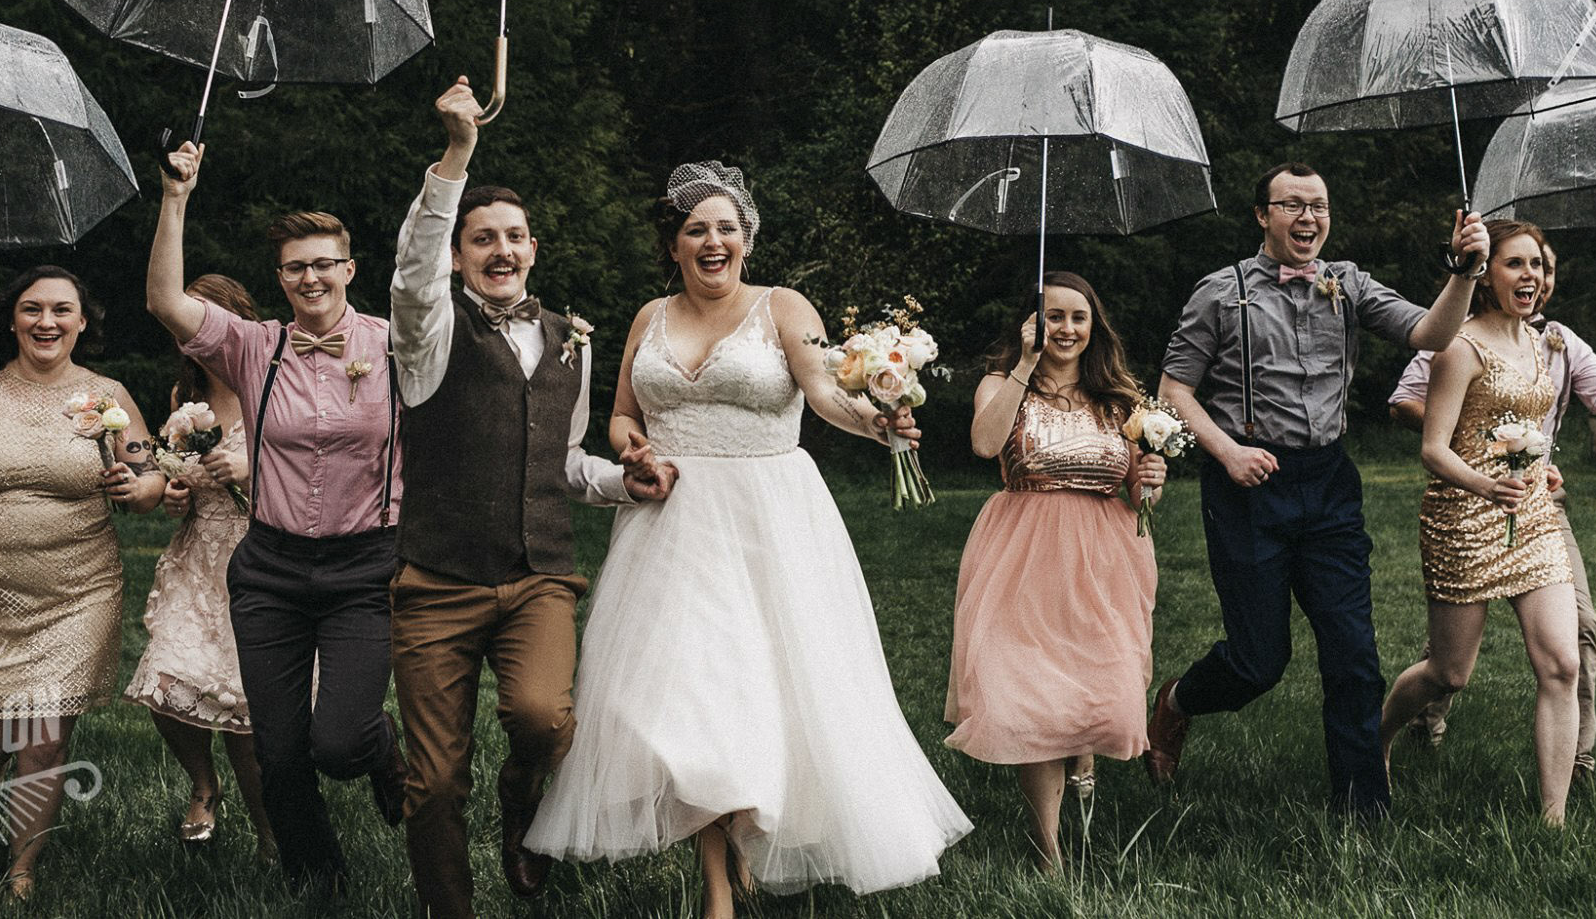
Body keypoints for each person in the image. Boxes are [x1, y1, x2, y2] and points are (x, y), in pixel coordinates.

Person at [526, 158, 971, 919]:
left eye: (726, 228)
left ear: (747, 241)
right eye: (696, 229)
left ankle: (757, 838)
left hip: (771, 518)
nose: (712, 240)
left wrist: (879, 422)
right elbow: (624, 414)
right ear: (674, 245)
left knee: (770, 688)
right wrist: (634, 447)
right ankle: (718, 888)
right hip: (671, 521)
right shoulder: (648, 317)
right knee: (684, 697)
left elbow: (828, 391)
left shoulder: (782, 306)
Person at [384, 79, 675, 919]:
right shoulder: (428, 334)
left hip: (537, 576)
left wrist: (627, 482)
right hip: (437, 581)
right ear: (459, 254)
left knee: (546, 721)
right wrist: (457, 155)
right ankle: (451, 907)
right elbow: (410, 275)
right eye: (482, 238)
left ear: (535, 249)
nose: (499, 250)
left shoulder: (571, 340)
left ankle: (521, 802)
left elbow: (568, 460)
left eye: (513, 237)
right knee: (433, 780)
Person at [1144, 161, 1489, 816]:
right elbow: (1174, 389)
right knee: (1257, 660)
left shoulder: (1347, 284)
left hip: (1328, 483)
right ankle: (1177, 700)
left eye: (1319, 206)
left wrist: (1465, 271)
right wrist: (1227, 450)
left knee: (1354, 655)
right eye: (1292, 204)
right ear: (1261, 215)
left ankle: (1361, 807)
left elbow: (1433, 333)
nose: (1308, 218)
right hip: (1247, 484)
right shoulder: (1220, 293)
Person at [147, 143, 406, 897]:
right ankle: (318, 878)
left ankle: (382, 751)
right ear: (281, 279)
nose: (311, 277)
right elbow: (165, 300)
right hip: (270, 568)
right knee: (281, 750)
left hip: (364, 564)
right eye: (296, 267)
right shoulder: (253, 347)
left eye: (324, 263)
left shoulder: (394, 345)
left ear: (349, 269)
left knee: (340, 738)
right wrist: (175, 196)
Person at [1386, 228, 1596, 777]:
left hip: (1537, 508)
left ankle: (1567, 787)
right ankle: (1392, 732)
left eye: (1541, 265)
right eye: (1516, 263)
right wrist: (1491, 447)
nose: (1533, 274)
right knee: (1449, 669)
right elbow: (1411, 409)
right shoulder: (1455, 342)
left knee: (1568, 649)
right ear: (1486, 274)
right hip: (1467, 507)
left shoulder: (1557, 341)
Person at [0, 264, 160, 900]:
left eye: (62, 310)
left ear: (83, 322)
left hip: (75, 591)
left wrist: (137, 486)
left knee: (43, 742)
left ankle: (20, 873)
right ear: (12, 318)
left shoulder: (106, 395)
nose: (46, 321)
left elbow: (149, 480)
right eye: (32, 308)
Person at [946, 272, 1162, 869]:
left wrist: (1150, 484)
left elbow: (1134, 493)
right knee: (1032, 692)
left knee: (1105, 687)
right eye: (1054, 317)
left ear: (1094, 328)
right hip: (1024, 552)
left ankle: (1084, 771)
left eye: (1078, 318)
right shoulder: (1001, 382)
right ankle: (1050, 848)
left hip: (1106, 557)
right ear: (1032, 324)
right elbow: (986, 445)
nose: (1066, 329)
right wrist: (1023, 364)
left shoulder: (1119, 399)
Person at [123, 273, 274, 860]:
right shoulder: (182, 401)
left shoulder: (277, 388)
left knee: (244, 717)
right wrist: (172, 493)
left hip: (260, 561)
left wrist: (248, 479)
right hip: (196, 559)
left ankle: (268, 835)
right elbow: (171, 473)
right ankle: (202, 785)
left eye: (210, 319)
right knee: (164, 681)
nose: (199, 333)